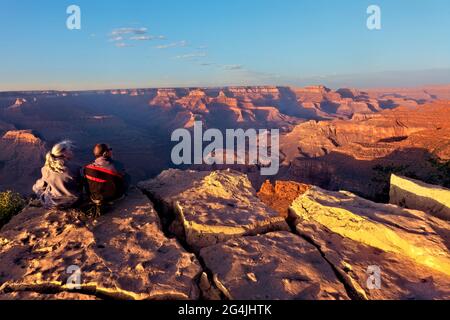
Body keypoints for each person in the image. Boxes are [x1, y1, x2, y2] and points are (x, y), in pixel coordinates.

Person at [32, 140, 83, 209]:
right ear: (64, 153)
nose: (71, 152)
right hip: (73, 203)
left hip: (53, 203)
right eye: (69, 150)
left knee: (36, 187)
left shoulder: (45, 169)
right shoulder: (76, 168)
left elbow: (42, 185)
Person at [84, 144, 128, 208]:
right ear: (105, 153)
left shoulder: (87, 168)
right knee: (127, 177)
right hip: (112, 197)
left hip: (94, 197)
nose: (111, 151)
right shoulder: (117, 165)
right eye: (110, 149)